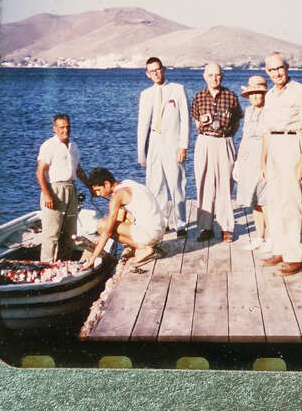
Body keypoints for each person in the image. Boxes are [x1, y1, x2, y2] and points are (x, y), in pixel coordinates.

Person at [260, 52, 302, 276]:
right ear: (267, 72)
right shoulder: (271, 95)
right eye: (272, 70)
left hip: (292, 145)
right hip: (273, 146)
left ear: (287, 67)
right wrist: (263, 160)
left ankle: (295, 256)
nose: (276, 73)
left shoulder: (300, 92)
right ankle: (280, 249)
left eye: (280, 68)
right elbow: (266, 131)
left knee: (293, 202)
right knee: (274, 201)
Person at [137, 57, 189, 238]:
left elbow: (185, 121)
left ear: (163, 69)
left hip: (173, 144)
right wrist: (141, 154)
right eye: (151, 71)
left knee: (177, 184)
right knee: (155, 186)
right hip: (154, 143)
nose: (155, 73)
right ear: (147, 74)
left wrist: (183, 146)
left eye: (158, 69)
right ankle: (162, 223)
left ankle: (181, 224)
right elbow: (142, 125)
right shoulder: (146, 95)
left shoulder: (177, 89)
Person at [190, 63, 243, 242]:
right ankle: (206, 227)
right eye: (211, 75)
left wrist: (227, 137)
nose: (214, 78)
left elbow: (236, 122)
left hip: (224, 141)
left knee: (225, 185)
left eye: (218, 75)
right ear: (205, 76)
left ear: (222, 76)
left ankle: (226, 227)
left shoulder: (231, 96)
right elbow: (197, 123)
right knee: (204, 183)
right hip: (205, 141)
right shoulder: (198, 97)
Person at [81, 167, 166, 269]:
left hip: (151, 233)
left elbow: (108, 231)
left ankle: (144, 248)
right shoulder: (127, 183)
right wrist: (101, 238)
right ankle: (144, 246)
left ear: (107, 184)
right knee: (119, 220)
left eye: (98, 190)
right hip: (159, 230)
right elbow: (120, 219)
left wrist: (92, 259)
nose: (98, 194)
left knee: (102, 225)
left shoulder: (117, 197)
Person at [35, 113, 93, 262]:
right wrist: (47, 195)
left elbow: (78, 170)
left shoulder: (74, 147)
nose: (65, 130)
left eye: (68, 127)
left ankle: (64, 263)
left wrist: (90, 187)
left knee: (70, 233)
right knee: (51, 234)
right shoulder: (49, 146)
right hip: (55, 190)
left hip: (71, 190)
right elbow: (40, 172)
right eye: (61, 127)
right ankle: (46, 266)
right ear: (55, 128)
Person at [234, 75, 268, 251]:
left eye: (259, 93)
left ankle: (271, 238)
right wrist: (238, 161)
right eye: (252, 93)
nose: (255, 96)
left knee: (266, 199)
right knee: (254, 199)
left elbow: (267, 138)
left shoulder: (269, 111)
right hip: (248, 158)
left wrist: (265, 163)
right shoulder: (248, 111)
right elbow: (245, 137)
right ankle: (259, 237)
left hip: (263, 157)